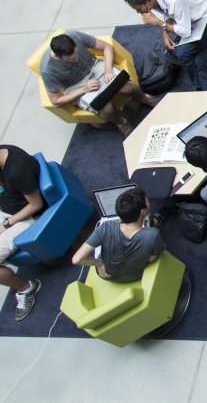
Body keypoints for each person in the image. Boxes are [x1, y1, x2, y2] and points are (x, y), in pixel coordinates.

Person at [40, 31, 159, 136]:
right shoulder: (48, 70)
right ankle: (121, 122)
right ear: (58, 56)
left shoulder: (74, 36)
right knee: (106, 109)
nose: (76, 59)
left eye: (77, 54)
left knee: (128, 87)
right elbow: (56, 102)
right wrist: (83, 89)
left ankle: (144, 98)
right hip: (76, 86)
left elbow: (107, 47)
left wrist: (108, 69)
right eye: (71, 59)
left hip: (96, 67)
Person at [123, 0, 207, 92]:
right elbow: (169, 13)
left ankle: (200, 88)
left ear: (148, 1)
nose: (138, 12)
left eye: (139, 9)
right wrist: (165, 31)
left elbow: (185, 32)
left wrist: (160, 24)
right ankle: (205, 91)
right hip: (194, 19)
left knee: (183, 53)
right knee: (198, 58)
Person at [72, 187, 166, 283]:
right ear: (142, 212)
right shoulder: (152, 235)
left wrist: (100, 264)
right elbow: (151, 260)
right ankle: (156, 220)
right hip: (134, 275)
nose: (148, 202)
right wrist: (144, 231)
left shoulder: (105, 227)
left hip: (107, 275)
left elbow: (77, 259)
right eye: (147, 201)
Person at [0, 145, 47, 321]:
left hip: (24, 218)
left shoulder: (18, 171)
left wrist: (6, 224)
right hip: (7, 207)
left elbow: (36, 205)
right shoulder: (3, 151)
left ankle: (27, 288)